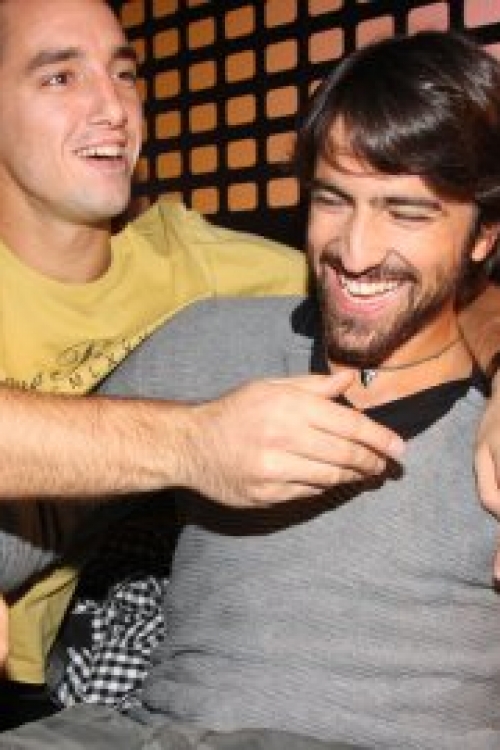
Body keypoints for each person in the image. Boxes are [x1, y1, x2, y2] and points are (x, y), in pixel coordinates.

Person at [3, 28, 499, 750]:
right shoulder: (208, 340)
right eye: (333, 200)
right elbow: (31, 524)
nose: (355, 252)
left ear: (484, 235)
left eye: (405, 212)